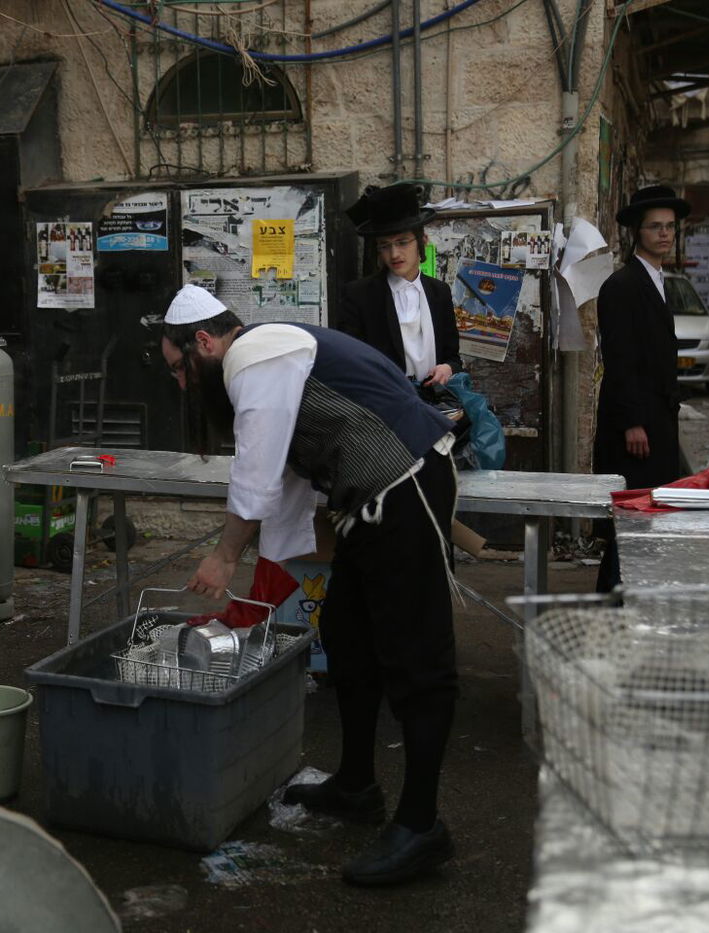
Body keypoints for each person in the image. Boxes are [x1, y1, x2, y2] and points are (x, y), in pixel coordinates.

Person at [160, 283, 460, 886]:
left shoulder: (255, 356)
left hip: (407, 483)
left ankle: (422, 825)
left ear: (203, 342)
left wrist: (223, 557)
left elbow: (255, 475)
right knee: (348, 643)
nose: (183, 384)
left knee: (417, 663)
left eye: (179, 369)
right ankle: (356, 786)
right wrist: (257, 597)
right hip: (368, 504)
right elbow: (288, 489)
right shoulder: (270, 359)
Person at [594, 185, 690, 591]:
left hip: (657, 420)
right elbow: (620, 359)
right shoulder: (623, 285)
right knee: (633, 518)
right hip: (636, 428)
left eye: (670, 226)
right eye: (655, 227)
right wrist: (633, 421)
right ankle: (613, 605)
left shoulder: (656, 279)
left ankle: (621, 602)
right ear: (637, 231)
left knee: (645, 519)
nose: (665, 234)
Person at [337, 185, 462, 387]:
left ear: (422, 241)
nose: (394, 254)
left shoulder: (439, 292)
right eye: (385, 245)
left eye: (402, 242)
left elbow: (453, 358)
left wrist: (447, 368)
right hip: (386, 400)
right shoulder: (359, 295)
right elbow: (349, 362)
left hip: (433, 398)